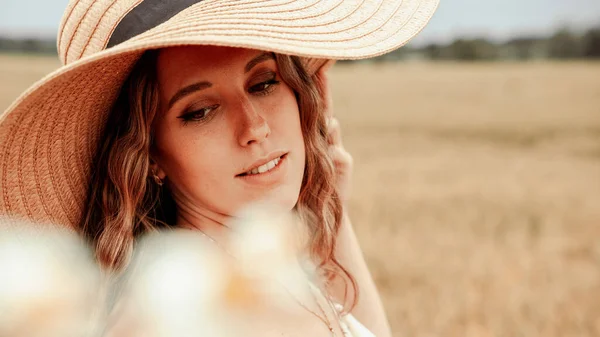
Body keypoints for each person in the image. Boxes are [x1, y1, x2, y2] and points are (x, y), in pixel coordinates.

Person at [0, 1, 439, 336]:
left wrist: (330, 207)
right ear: (149, 154)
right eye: (201, 111)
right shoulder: (174, 311)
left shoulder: (263, 275)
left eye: (264, 82)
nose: (255, 127)